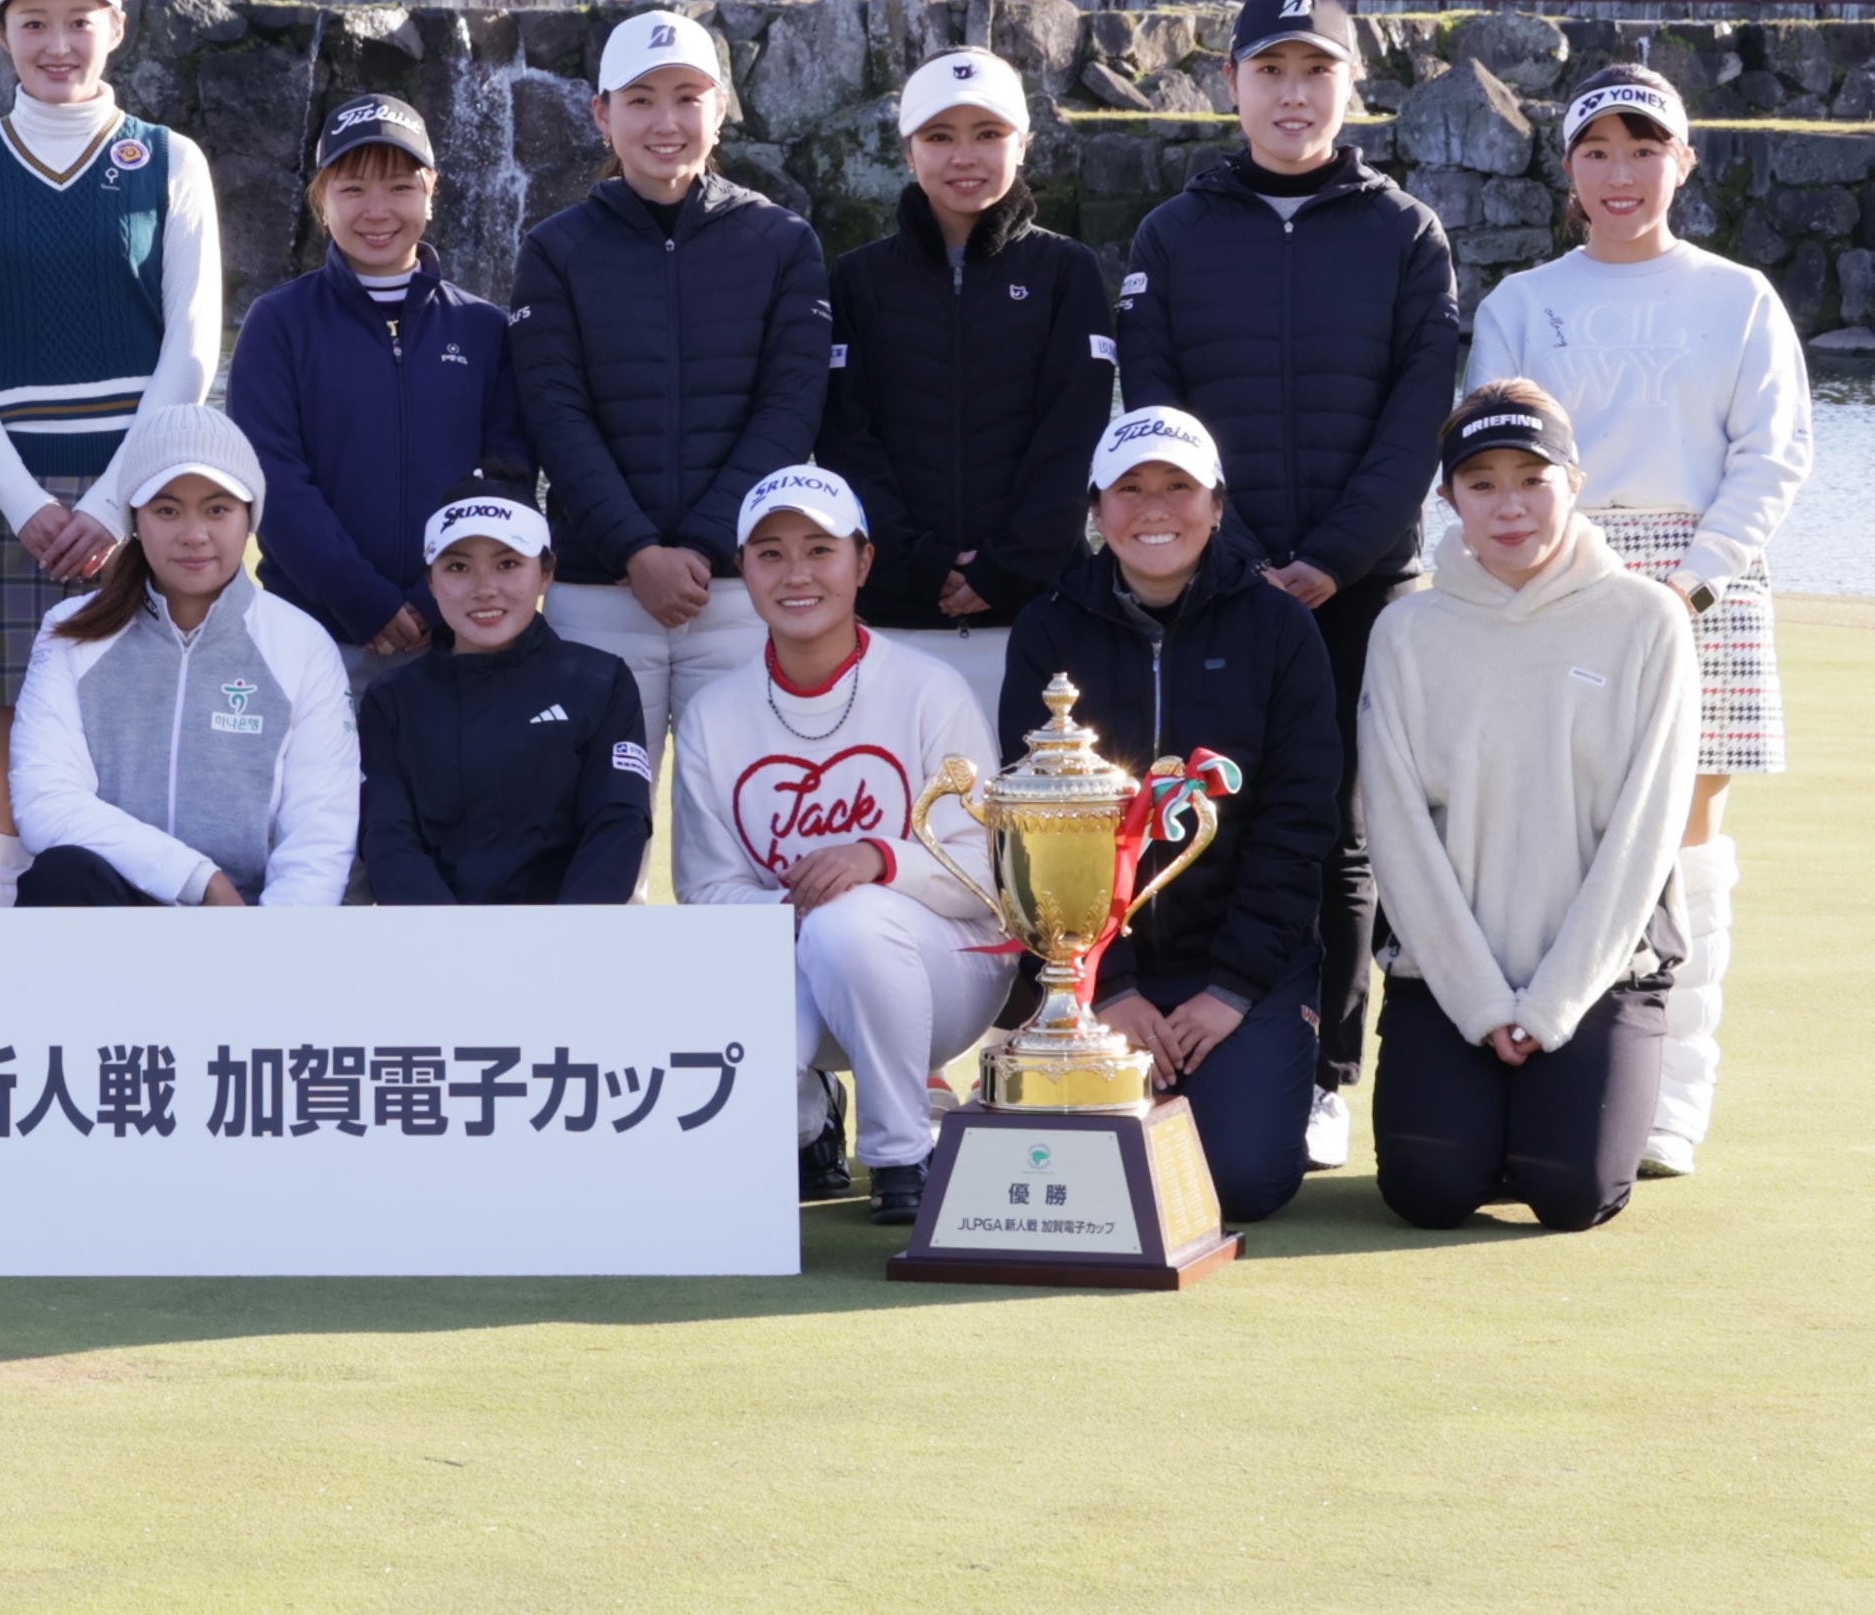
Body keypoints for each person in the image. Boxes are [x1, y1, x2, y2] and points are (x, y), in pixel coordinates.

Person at [1117, 0, 1458, 1177]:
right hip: (1218, 578)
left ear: (1352, 84)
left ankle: (1328, 1070)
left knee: (1341, 831)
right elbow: (1156, 406)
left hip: (1364, 584)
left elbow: (1417, 415)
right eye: (1271, 70)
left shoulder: (1406, 231)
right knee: (1205, 807)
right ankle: (1175, 1033)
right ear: (1233, 84)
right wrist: (1248, 556)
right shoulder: (1172, 233)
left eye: (1317, 70)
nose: (1294, 93)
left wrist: (1334, 557)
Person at [1467, 63, 1809, 1180]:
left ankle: (1671, 1102)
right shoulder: (1523, 303)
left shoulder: (1739, 297)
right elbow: (1487, 461)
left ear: (1684, 161)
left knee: (1686, 843)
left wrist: (1690, 585)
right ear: (1567, 168)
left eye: (1646, 149)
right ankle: (1562, 1089)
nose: (1623, 174)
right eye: (1599, 152)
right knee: (1561, 838)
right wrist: (1564, 577)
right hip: (1560, 577)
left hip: (1704, 585)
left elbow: (1772, 457)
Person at [0, 0, 222, 907]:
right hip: (5, 495)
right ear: (1, 34)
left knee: (140, 724)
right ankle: (9, 909)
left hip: (147, 496)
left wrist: (116, 504)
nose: (57, 44)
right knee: (6, 731)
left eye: (79, 21)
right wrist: (27, 503)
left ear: (116, 27)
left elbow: (193, 346)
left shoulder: (169, 159)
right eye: (33, 22)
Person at [1358, 384, 1694, 1233]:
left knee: (1574, 1195)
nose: (1509, 506)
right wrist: (1479, 1001)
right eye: (1482, 484)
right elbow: (1397, 832)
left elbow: (1646, 833)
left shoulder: (1649, 619)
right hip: (1446, 976)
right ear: (1449, 498)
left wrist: (1551, 1006)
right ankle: (1490, 1126)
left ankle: (1529, 1124)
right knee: (1427, 1192)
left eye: (1533, 480)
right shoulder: (1406, 631)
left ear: (1574, 483)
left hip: (1600, 974)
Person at [995, 408, 1339, 1224]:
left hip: (1240, 963)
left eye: (1178, 487)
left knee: (1241, 1181)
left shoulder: (1279, 628)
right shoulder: (1047, 627)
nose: (1155, 509)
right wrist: (1107, 987)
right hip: (1094, 968)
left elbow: (1298, 821)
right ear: (1096, 509)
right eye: (1131, 489)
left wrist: (1231, 989)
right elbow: (1027, 834)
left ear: (1217, 505)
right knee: (1073, 1170)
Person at [671, 465, 1007, 1226]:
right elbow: (705, 892)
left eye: (820, 550)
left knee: (850, 921)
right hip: (795, 965)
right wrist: (795, 908)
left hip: (947, 973)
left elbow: (987, 875)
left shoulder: (930, 689)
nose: (796, 574)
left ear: (863, 562)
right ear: (743, 570)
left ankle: (901, 1152)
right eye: (771, 554)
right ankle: (803, 1121)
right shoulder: (713, 715)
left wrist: (875, 860)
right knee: (799, 951)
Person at [512, 8, 831, 762]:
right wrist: (635, 550)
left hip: (741, 591)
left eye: (688, 97)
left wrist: (703, 545)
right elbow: (555, 415)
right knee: (594, 820)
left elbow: (790, 411)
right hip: (599, 595)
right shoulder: (554, 250)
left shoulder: (783, 242)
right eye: (641, 99)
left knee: (751, 818)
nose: (666, 121)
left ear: (719, 110)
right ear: (603, 114)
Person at [818, 46, 1114, 729]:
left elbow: (1075, 435)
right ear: (908, 150)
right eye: (939, 136)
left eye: (987, 134)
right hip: (894, 616)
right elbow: (843, 438)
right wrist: (915, 563)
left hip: (1041, 614)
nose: (964, 157)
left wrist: (1004, 567)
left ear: (1024, 143)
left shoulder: (1065, 271)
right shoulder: (858, 279)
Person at [229, 94, 528, 699]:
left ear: (431, 189)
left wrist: (436, 597)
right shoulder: (277, 322)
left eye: (399, 187)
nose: (377, 210)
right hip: (313, 633)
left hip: (454, 635)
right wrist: (359, 597)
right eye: (352, 189)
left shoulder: (484, 329)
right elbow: (270, 477)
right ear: (321, 197)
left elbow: (507, 476)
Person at [5, 405, 358, 909]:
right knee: (60, 874)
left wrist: (268, 941)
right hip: (115, 910)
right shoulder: (69, 632)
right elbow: (46, 802)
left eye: (217, 510)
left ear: (250, 518)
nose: (194, 534)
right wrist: (199, 880)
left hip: (250, 925)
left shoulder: (301, 643)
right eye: (167, 511)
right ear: (134, 521)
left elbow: (319, 834)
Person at [356, 478, 653, 906]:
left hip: (570, 939)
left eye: (508, 564)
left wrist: (567, 935)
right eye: (458, 568)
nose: (485, 589)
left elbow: (618, 822)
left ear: (546, 573)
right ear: (431, 581)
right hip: (436, 940)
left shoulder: (601, 682)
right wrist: (445, 935)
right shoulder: (392, 700)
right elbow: (388, 836)